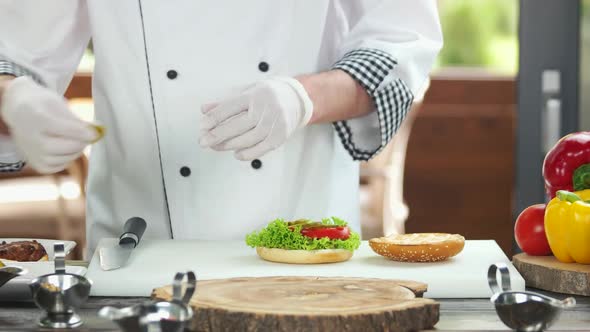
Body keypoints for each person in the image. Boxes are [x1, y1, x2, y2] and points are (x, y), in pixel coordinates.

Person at [0, 1, 442, 256]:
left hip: (302, 232)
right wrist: (14, 100)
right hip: (143, 238)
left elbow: (401, 46)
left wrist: (304, 97)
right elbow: (12, 51)